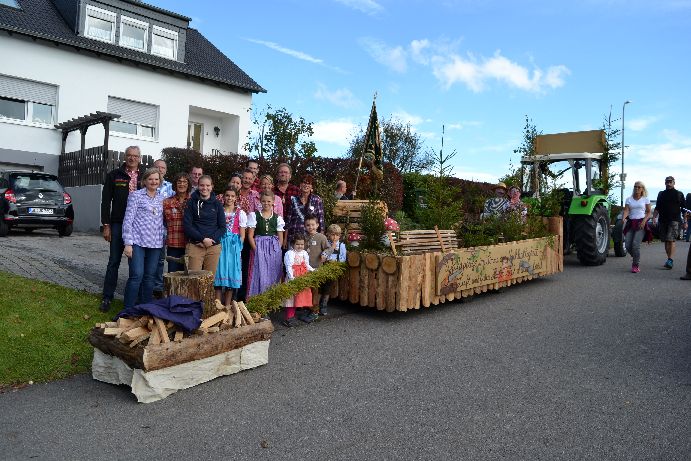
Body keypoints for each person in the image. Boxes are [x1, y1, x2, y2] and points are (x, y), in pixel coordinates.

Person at [99, 146, 144, 312]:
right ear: (125, 157)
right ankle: (107, 297)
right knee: (114, 261)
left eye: (135, 156)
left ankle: (134, 298)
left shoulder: (144, 176)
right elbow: (105, 202)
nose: (132, 158)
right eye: (129, 155)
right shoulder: (115, 175)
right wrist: (106, 225)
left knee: (136, 264)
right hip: (118, 223)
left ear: (139, 158)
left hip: (138, 225)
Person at [122, 168, 166, 309]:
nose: (153, 181)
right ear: (145, 181)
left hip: (155, 243)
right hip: (137, 241)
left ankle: (145, 308)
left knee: (150, 277)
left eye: (156, 179)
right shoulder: (136, 196)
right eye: (150, 179)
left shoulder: (162, 198)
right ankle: (128, 309)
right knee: (136, 275)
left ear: (160, 181)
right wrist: (128, 243)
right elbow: (128, 220)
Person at [183, 175, 225, 276]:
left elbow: (222, 227)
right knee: (193, 279)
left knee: (209, 280)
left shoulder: (217, 204)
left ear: (212, 186)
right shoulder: (191, 202)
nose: (204, 188)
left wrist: (210, 241)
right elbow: (187, 226)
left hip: (213, 247)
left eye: (207, 185)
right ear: (198, 186)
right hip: (195, 245)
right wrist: (202, 239)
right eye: (202, 185)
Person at [247, 190, 285, 297]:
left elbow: (280, 238)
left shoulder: (277, 218)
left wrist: (276, 250)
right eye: (264, 201)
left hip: (273, 249)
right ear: (260, 201)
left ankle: (271, 299)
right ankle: (257, 298)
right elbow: (250, 236)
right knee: (258, 272)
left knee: (273, 272)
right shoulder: (254, 215)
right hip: (258, 247)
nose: (266, 203)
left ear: (273, 202)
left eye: (269, 201)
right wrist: (256, 249)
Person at [214, 187, 246, 305]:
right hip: (220, 244)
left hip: (233, 246)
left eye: (232, 196)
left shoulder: (240, 213)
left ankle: (227, 306)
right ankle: (217, 305)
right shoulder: (218, 211)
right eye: (227, 195)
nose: (230, 198)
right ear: (223, 196)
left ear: (236, 198)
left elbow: (242, 234)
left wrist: (238, 248)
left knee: (231, 274)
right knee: (219, 273)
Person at [652, 176, 686, 269]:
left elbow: (684, 209)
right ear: (665, 183)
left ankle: (670, 259)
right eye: (667, 182)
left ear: (674, 183)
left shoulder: (679, 194)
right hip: (663, 220)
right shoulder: (661, 194)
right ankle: (669, 259)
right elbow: (657, 207)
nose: (669, 183)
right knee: (666, 241)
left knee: (671, 239)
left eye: (670, 182)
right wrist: (654, 217)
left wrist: (685, 221)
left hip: (675, 220)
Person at [282, 233, 314, 327]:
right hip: (294, 277)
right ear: (293, 244)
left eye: (302, 244)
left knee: (298, 298)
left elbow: (306, 265)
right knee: (291, 298)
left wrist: (313, 270)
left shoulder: (304, 253)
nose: (300, 246)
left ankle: (293, 316)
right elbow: (288, 267)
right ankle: (288, 318)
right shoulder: (290, 253)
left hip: (302, 277)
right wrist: (292, 278)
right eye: (297, 244)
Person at [302, 214, 329, 323]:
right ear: (305, 226)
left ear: (317, 225)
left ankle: (315, 311)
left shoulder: (321, 237)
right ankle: (308, 309)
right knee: (307, 290)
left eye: (313, 225)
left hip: (316, 269)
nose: (310, 227)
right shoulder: (304, 237)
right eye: (308, 225)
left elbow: (328, 248)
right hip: (305, 269)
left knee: (315, 290)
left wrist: (324, 254)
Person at [162, 172, 192, 273]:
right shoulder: (166, 202)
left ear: (188, 184)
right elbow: (163, 222)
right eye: (179, 182)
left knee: (189, 276)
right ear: (175, 184)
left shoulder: (193, 201)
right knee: (173, 275)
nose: (182, 184)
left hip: (190, 244)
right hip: (173, 244)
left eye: (185, 182)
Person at [286, 174, 325, 247]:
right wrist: (285, 239)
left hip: (311, 238)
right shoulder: (294, 199)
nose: (306, 185)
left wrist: (321, 239)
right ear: (300, 185)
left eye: (308, 183)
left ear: (311, 186)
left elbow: (321, 221)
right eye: (304, 182)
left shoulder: (317, 200)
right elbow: (288, 221)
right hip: (294, 238)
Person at [153, 159, 173, 298]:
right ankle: (148, 285)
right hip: (149, 229)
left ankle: (158, 286)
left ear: (166, 170)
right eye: (157, 167)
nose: (160, 169)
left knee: (160, 260)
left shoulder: (171, 187)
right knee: (150, 259)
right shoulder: (148, 184)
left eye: (163, 168)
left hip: (164, 230)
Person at [622, 181, 652, 273]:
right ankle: (636, 256)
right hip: (631, 223)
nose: (637, 188)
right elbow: (626, 210)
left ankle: (635, 265)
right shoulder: (629, 199)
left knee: (635, 244)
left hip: (641, 223)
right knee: (627, 245)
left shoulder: (645, 199)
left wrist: (644, 221)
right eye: (635, 186)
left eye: (639, 187)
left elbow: (649, 212)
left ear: (642, 189)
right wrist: (623, 218)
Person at [318, 224, 347, 315]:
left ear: (339, 236)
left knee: (327, 288)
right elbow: (322, 255)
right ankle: (315, 306)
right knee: (319, 287)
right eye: (333, 235)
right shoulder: (325, 243)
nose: (335, 237)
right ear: (328, 234)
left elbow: (343, 259)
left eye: (337, 235)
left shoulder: (341, 246)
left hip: (333, 269)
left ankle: (323, 306)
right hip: (323, 268)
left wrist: (336, 264)